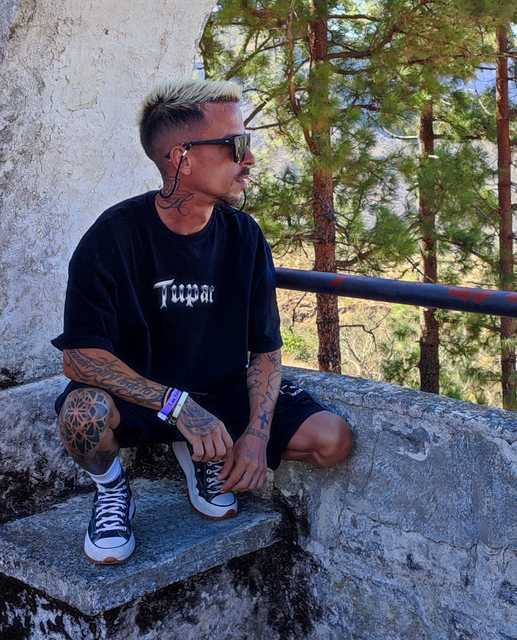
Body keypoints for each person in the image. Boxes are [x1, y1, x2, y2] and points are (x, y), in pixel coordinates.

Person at [52, 79, 352, 565]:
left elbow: (266, 349)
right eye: (236, 145)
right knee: (81, 415)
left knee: (331, 441)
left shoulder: (244, 236)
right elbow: (79, 358)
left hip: (221, 392)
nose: (249, 159)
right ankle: (111, 490)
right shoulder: (112, 237)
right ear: (182, 158)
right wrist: (178, 406)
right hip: (145, 399)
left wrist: (256, 435)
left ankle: (205, 454)